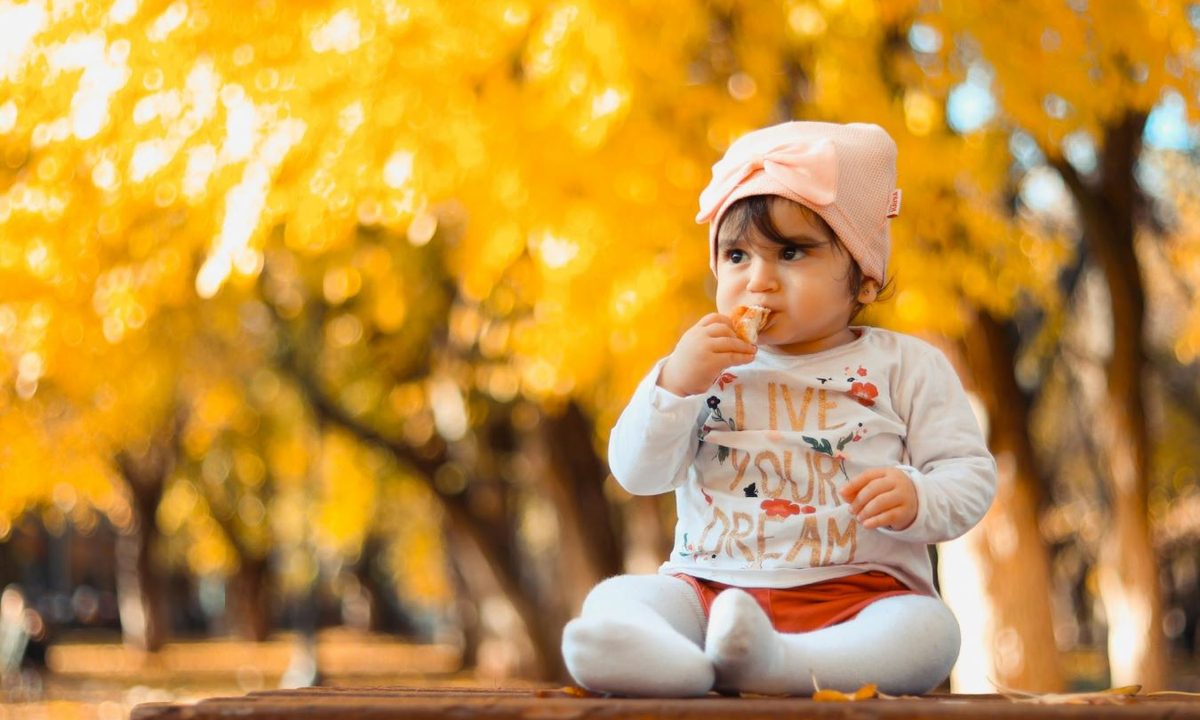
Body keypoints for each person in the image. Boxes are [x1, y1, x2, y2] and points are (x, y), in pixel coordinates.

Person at [561, 121, 997, 697]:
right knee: (615, 596)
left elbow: (969, 475)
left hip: (858, 594)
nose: (758, 281)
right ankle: (678, 668)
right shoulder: (699, 366)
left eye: (791, 252)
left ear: (864, 278)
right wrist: (673, 386)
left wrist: (919, 495)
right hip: (708, 591)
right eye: (737, 255)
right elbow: (637, 473)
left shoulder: (906, 366)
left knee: (930, 632)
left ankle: (782, 663)